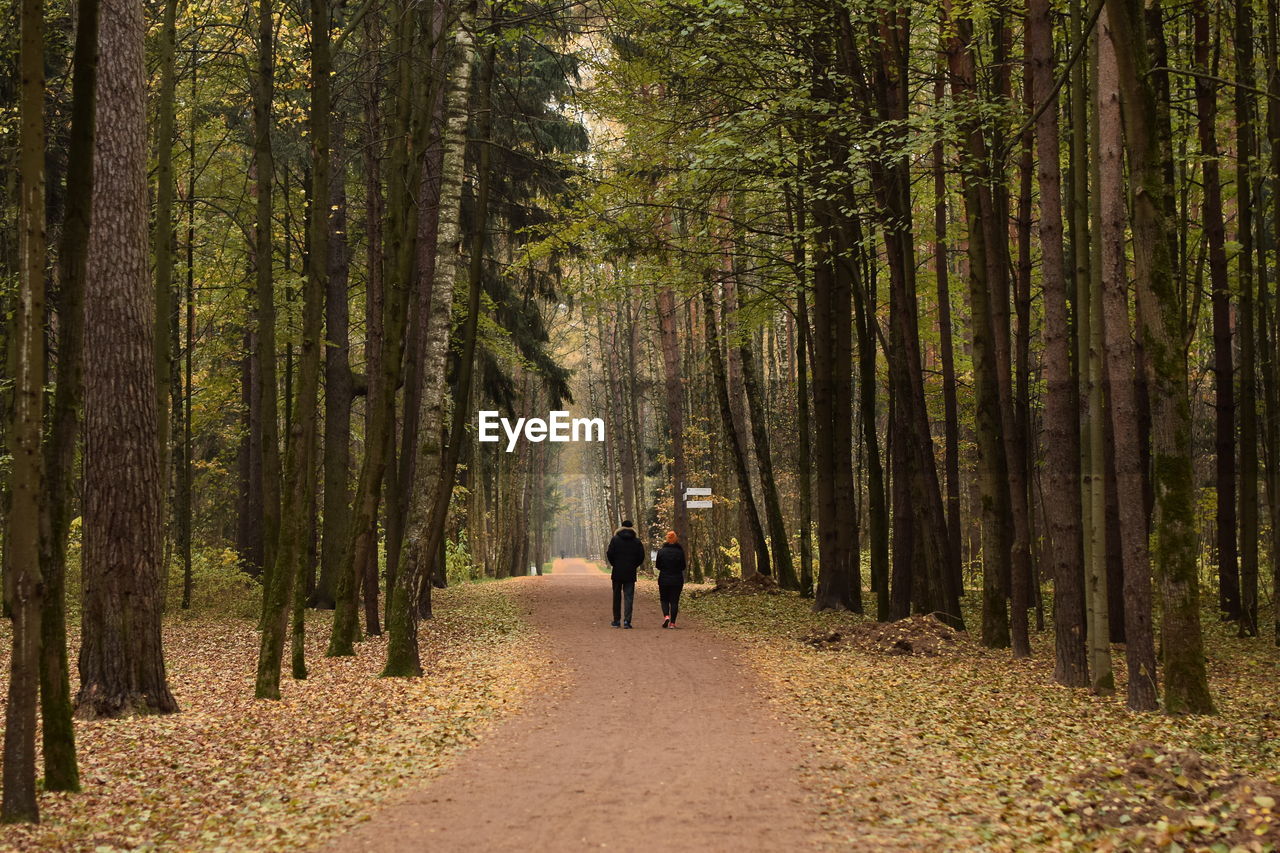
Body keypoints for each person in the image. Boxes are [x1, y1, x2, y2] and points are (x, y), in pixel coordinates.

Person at [606, 520, 644, 628]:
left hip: (617, 572)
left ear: (621, 527)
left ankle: (616, 621)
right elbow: (641, 556)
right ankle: (627, 621)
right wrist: (634, 565)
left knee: (616, 596)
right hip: (630, 573)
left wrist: (615, 564)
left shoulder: (615, 539)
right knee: (629, 597)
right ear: (632, 528)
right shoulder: (636, 541)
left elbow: (609, 553)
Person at [655, 530, 686, 629]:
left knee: (664, 599)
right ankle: (672, 623)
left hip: (664, 578)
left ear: (667, 539)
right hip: (677, 579)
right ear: (676, 539)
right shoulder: (680, 552)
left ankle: (666, 616)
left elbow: (658, 566)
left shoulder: (661, 552)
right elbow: (683, 566)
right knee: (674, 601)